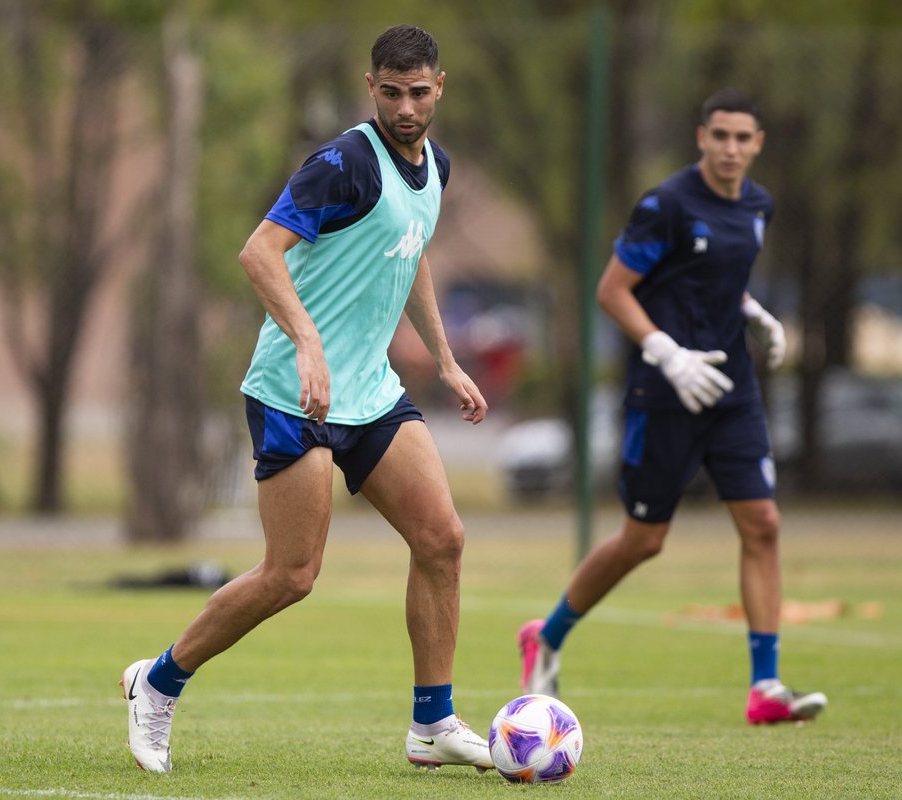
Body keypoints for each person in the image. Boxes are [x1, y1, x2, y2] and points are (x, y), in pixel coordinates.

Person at [121, 24, 494, 773]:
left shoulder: (435, 168)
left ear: (439, 87)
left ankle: (433, 724)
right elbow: (258, 252)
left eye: (419, 93)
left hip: (371, 394)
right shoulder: (344, 162)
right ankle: (156, 684)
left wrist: (447, 361)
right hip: (296, 395)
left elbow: (410, 253)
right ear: (371, 88)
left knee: (442, 540)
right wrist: (308, 342)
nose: (406, 108)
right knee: (292, 575)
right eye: (391, 93)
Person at [518, 88, 827, 725]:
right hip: (663, 391)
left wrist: (752, 313)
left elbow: (715, 281)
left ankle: (765, 688)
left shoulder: (759, 207)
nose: (731, 149)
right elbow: (613, 290)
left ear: (758, 143)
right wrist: (665, 351)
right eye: (721, 136)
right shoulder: (667, 204)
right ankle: (545, 635)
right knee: (643, 541)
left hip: (731, 389)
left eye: (744, 138)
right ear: (701, 137)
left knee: (763, 523)